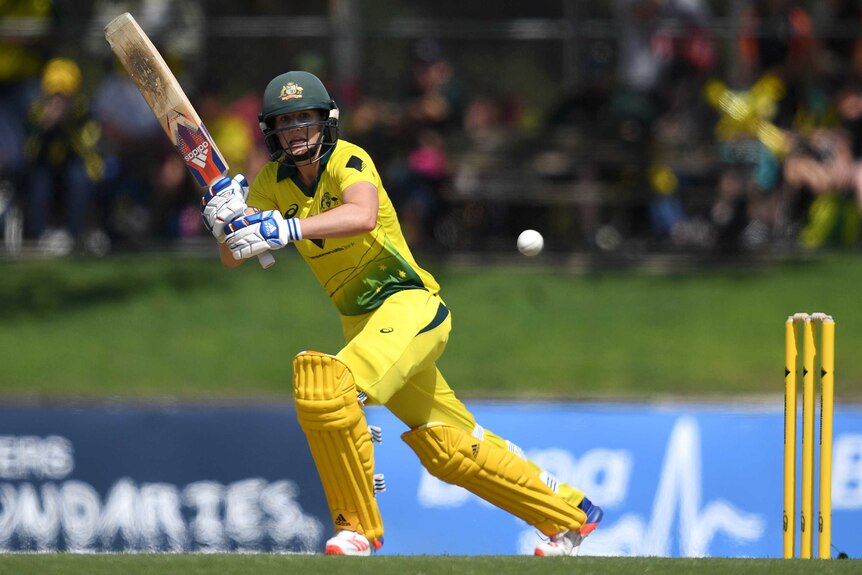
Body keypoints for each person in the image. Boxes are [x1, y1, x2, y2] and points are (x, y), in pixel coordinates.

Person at [200, 70, 603, 556]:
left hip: (409, 306)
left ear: (325, 122)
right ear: (271, 132)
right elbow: (233, 254)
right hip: (366, 322)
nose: (296, 132)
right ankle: (569, 516)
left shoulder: (349, 159)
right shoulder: (272, 181)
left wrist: (287, 227)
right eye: (285, 123)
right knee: (448, 448)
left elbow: (361, 215)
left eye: (305, 119)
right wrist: (227, 220)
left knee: (326, 386)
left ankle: (357, 529)